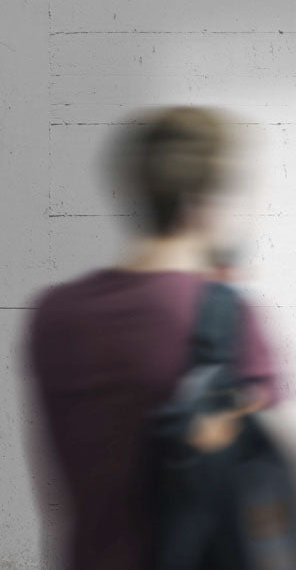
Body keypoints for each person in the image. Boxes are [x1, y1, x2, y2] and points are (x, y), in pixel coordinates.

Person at [23, 106, 280, 569]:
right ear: (207, 200)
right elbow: (278, 497)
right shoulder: (222, 316)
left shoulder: (53, 314)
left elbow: (55, 493)